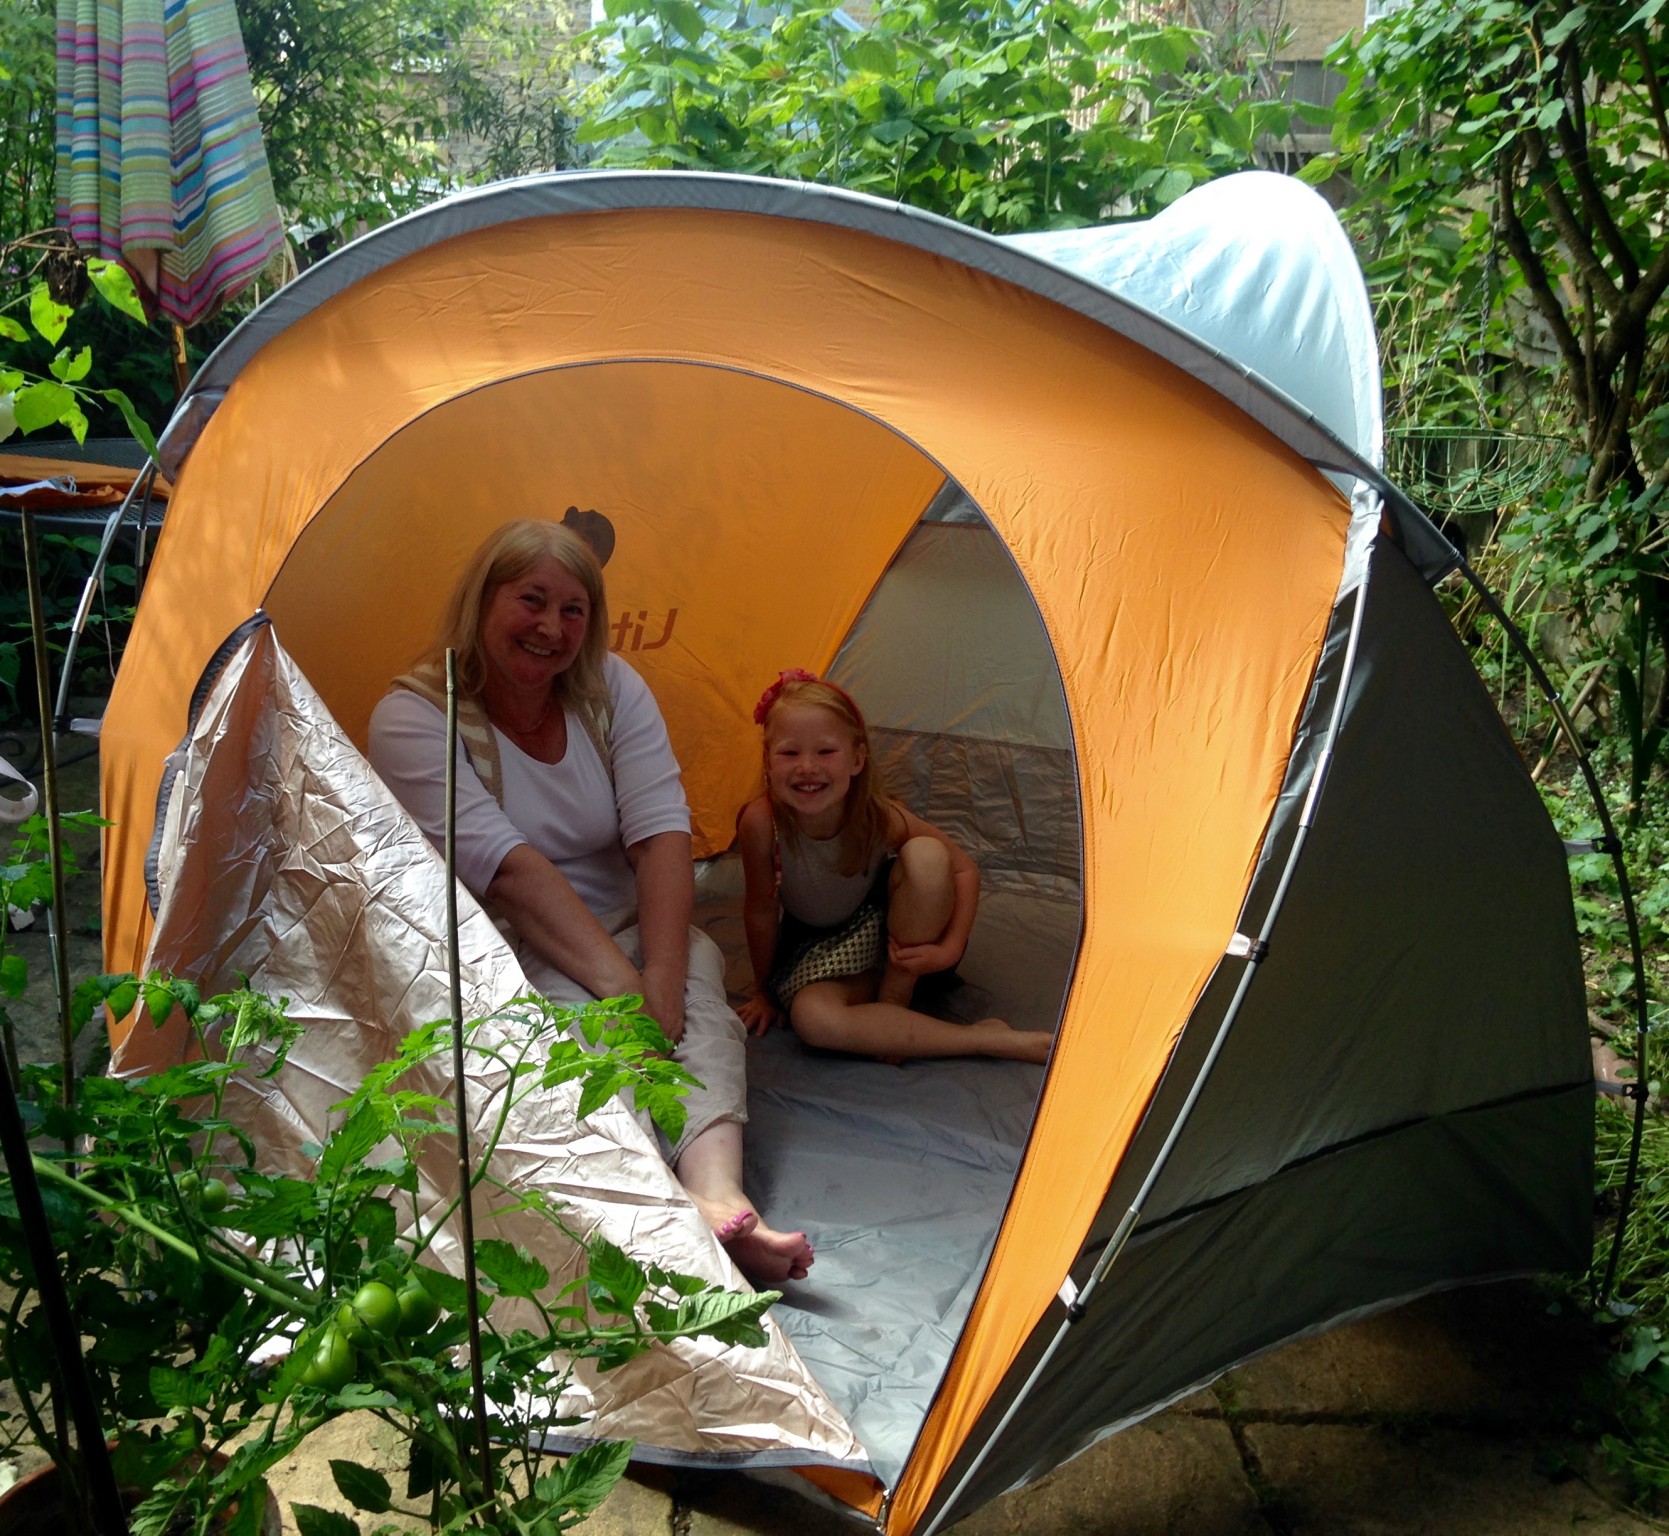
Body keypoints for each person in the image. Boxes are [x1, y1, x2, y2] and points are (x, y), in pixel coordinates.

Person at [368, 520, 813, 1284]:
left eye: (573, 610)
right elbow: (511, 873)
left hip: (628, 925)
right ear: (483, 601)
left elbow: (661, 833)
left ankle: (718, 1194)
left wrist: (665, 978)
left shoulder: (609, 689)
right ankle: (660, 1212)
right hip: (504, 940)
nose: (551, 628)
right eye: (531, 601)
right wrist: (630, 997)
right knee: (587, 1044)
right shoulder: (414, 717)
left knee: (702, 999)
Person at [737, 670, 1051, 1066]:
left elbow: (964, 869)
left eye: (825, 752)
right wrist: (763, 990)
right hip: (819, 954)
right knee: (812, 1019)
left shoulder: (876, 815)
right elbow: (760, 911)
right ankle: (979, 1038)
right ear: (767, 761)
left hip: (899, 943)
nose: (807, 767)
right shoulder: (761, 823)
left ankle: (895, 998)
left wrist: (949, 947)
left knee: (928, 854)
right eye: (789, 753)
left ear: (857, 759)